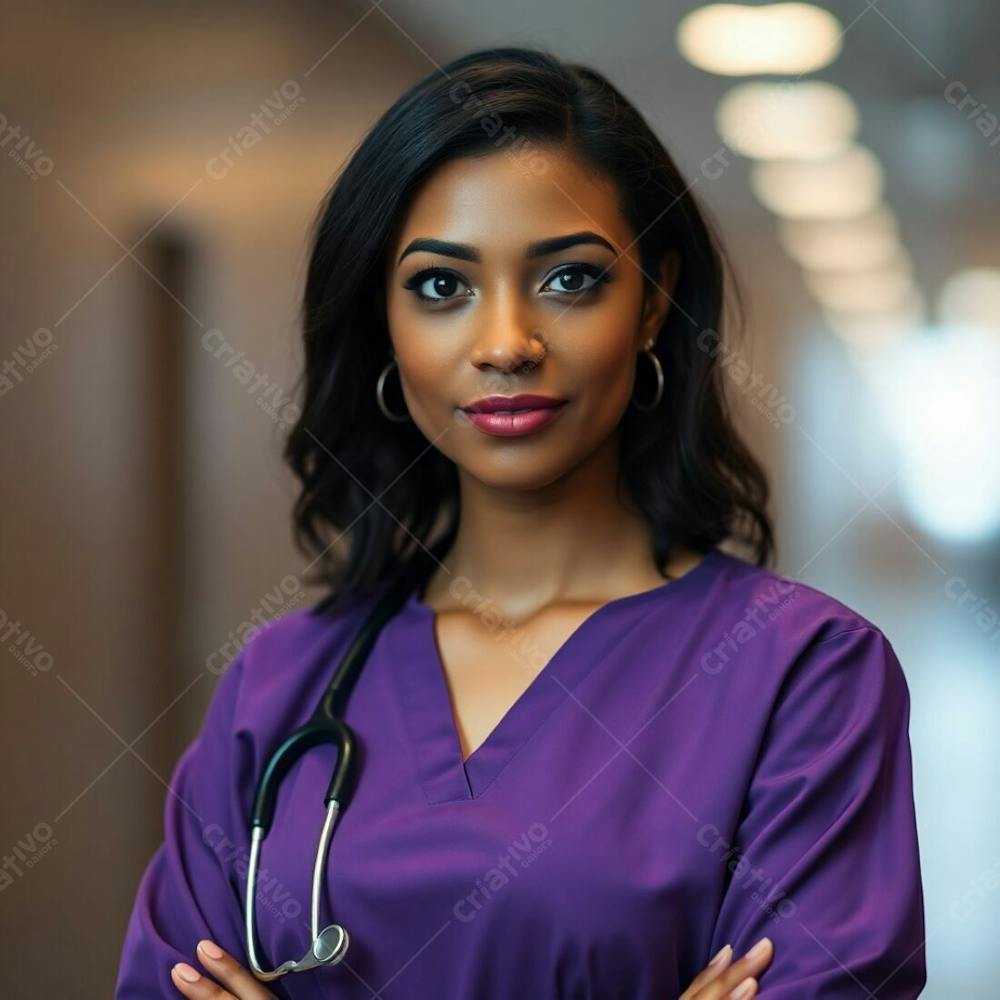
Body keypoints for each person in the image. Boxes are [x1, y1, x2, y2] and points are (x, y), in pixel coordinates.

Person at [115, 47, 926, 999]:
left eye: (570, 279)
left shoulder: (804, 673)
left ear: (654, 302)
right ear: (383, 321)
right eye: (441, 287)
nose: (506, 344)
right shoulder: (280, 684)